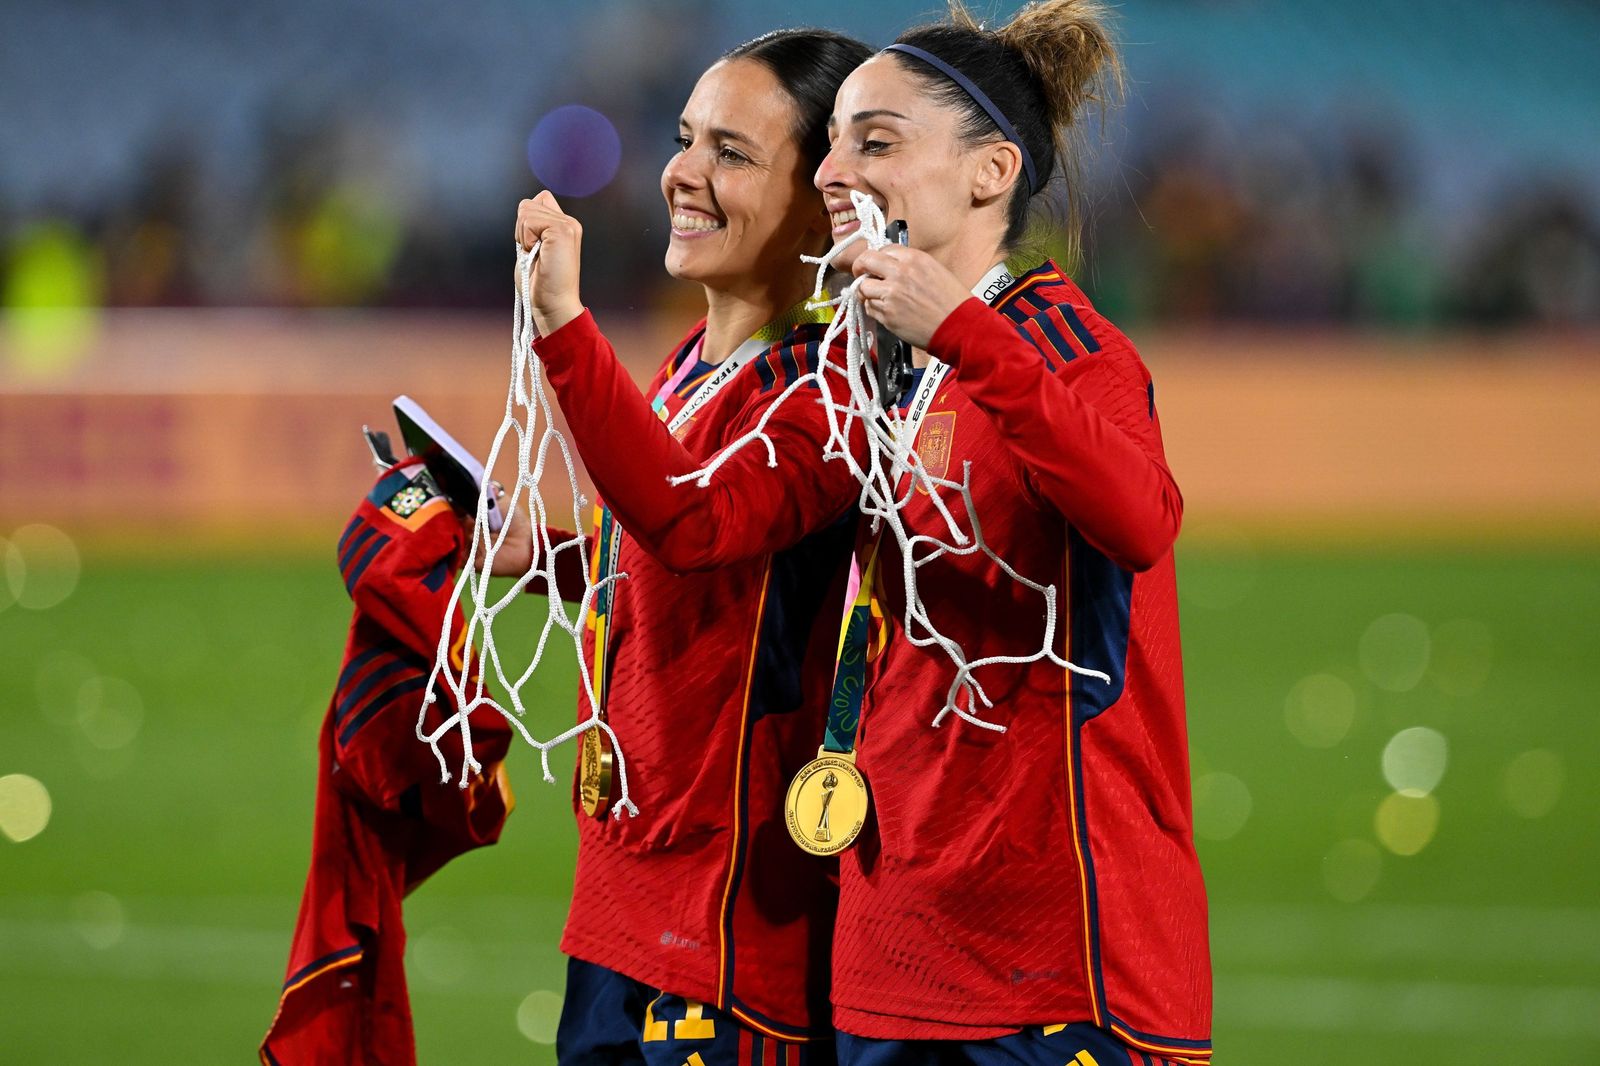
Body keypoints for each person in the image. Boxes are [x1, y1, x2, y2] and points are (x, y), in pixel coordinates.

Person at [809, 2, 1211, 1063]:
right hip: (893, 942)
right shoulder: (867, 363)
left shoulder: (1066, 349)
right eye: (833, 141)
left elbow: (1140, 518)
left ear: (989, 173)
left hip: (1057, 952)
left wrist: (964, 334)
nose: (829, 171)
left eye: (874, 141)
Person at [499, 28, 873, 1065]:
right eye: (683, 137)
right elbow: (678, 566)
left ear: (821, 204)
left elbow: (693, 521)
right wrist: (551, 557)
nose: (683, 173)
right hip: (622, 897)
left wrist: (564, 325)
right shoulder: (683, 373)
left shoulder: (829, 395)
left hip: (727, 927)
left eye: (732, 153)